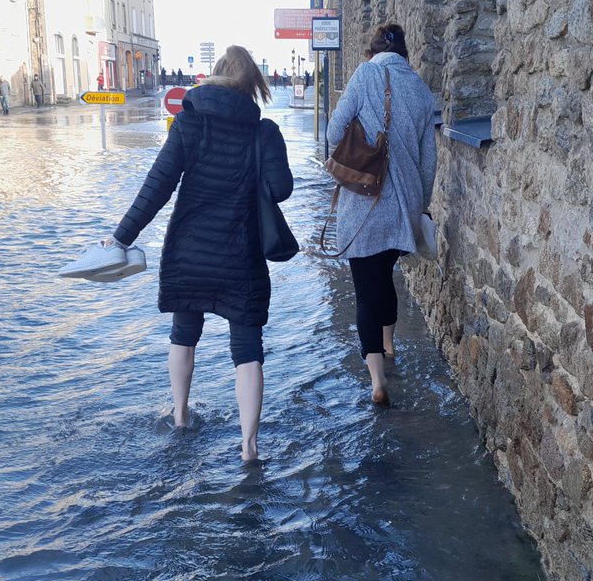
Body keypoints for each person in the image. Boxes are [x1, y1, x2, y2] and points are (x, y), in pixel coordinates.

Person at [107, 45, 292, 461]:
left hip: (189, 251)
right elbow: (281, 190)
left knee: (183, 337)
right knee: (247, 350)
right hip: (241, 256)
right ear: (253, 86)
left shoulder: (188, 124)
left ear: (215, 77)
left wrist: (120, 239)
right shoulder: (264, 133)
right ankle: (248, 446)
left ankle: (180, 415)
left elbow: (157, 186)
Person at [324, 23, 436, 405]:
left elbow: (334, 130)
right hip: (402, 206)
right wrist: (420, 204)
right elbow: (428, 160)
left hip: (363, 204)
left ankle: (376, 382)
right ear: (405, 55)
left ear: (371, 52)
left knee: (364, 292)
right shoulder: (421, 91)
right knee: (385, 277)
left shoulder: (365, 74)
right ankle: (390, 347)